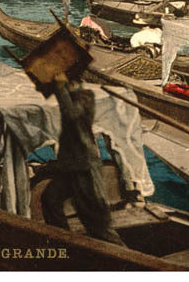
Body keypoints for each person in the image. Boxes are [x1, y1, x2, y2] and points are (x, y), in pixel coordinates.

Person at [40, 74, 125, 245]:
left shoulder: (86, 97)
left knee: (97, 221)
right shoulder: (70, 96)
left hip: (84, 167)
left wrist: (59, 88)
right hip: (70, 166)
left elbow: (72, 114)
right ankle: (63, 243)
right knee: (50, 199)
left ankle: (127, 257)